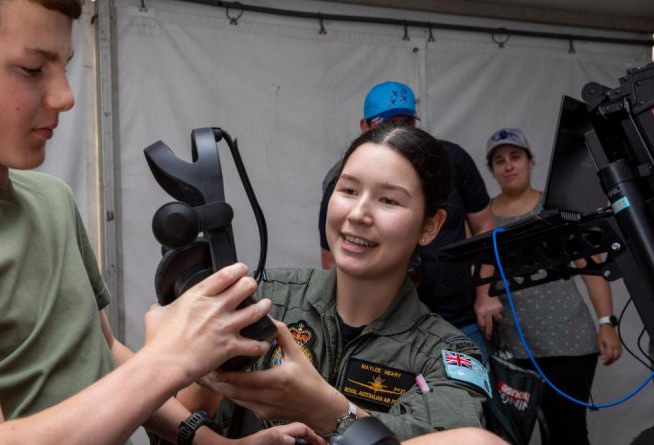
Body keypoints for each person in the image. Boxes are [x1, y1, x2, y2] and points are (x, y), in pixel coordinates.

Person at [0, 1, 326, 444]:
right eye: (33, 69)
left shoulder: (51, 201)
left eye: (64, 66)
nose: (64, 96)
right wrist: (171, 358)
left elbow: (103, 353)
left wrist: (210, 441)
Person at [175, 124, 491, 442]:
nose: (358, 214)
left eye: (389, 201)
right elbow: (180, 405)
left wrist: (327, 410)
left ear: (430, 226)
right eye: (349, 190)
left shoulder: (446, 352)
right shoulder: (263, 298)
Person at [318, 81, 499, 359]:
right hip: (386, 326)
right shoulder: (340, 177)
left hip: (457, 319)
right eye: (388, 124)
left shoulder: (452, 160)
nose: (398, 133)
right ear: (365, 127)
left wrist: (486, 294)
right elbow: (332, 259)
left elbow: (485, 226)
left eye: (406, 123)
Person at [485, 127, 622, 445]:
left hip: (569, 341)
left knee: (566, 433)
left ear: (531, 161)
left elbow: (590, 266)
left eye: (515, 156)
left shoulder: (558, 208)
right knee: (507, 435)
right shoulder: (484, 218)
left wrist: (607, 322)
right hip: (513, 346)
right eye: (499, 160)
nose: (508, 165)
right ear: (492, 170)